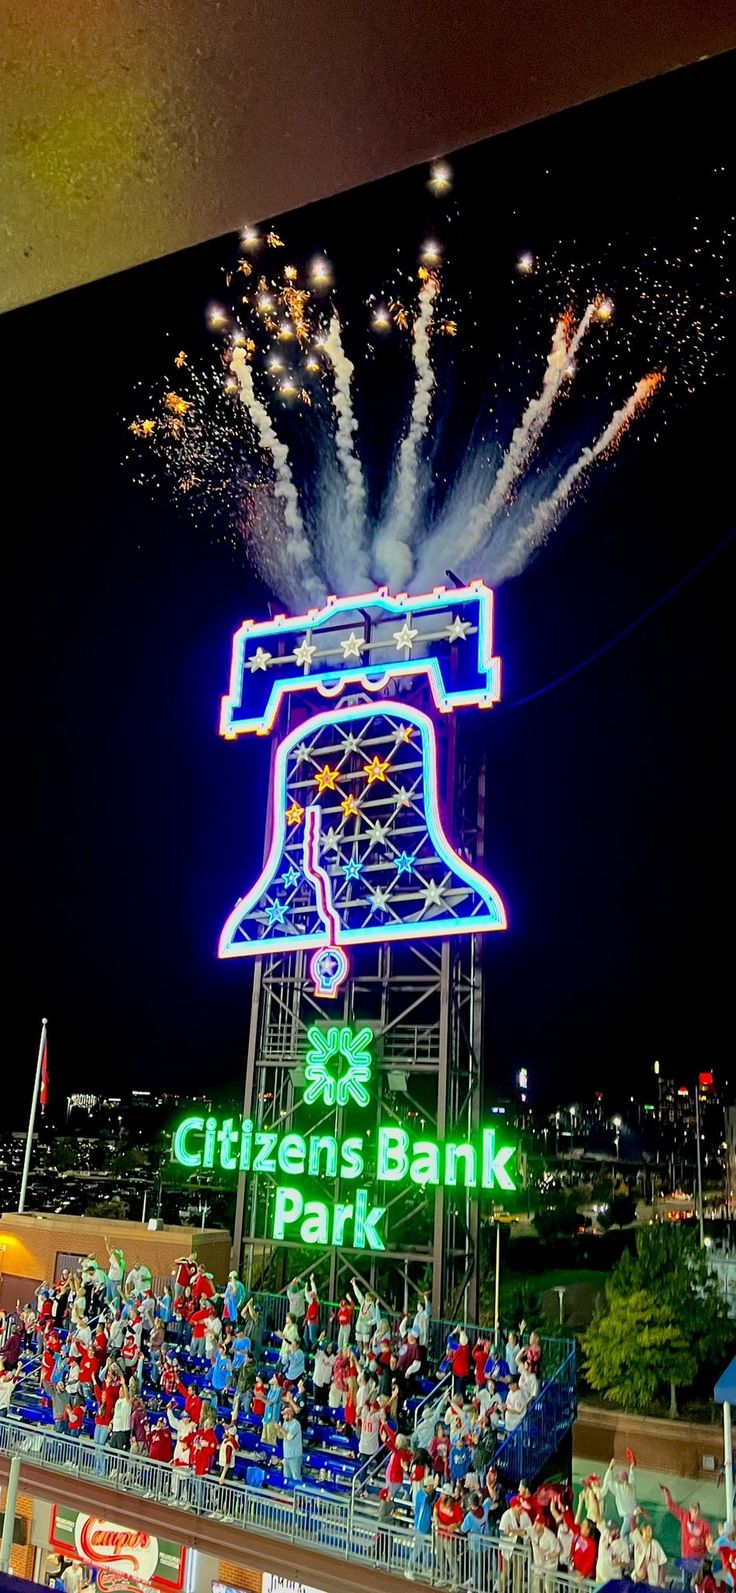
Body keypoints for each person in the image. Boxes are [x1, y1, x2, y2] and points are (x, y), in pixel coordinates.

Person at [660, 1485, 711, 1567]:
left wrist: (699, 1541)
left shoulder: (704, 1525)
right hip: (686, 1558)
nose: (696, 1513)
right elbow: (671, 1507)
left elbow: (709, 1543)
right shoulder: (684, 1517)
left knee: (696, 1578)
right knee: (686, 1577)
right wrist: (667, 1494)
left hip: (698, 1560)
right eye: (694, 1510)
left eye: (698, 1511)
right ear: (690, 1510)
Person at [405, 1474, 438, 1580]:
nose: (432, 1488)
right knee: (417, 1548)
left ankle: (425, 1568)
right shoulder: (420, 1494)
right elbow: (428, 1499)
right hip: (420, 1526)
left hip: (426, 1525)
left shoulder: (425, 1494)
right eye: (431, 1486)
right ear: (427, 1486)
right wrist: (436, 1488)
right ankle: (408, 1569)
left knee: (426, 1549)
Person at [433, 1482, 464, 1586]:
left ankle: (456, 1578)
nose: (441, 1496)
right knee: (440, 1556)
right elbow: (435, 1510)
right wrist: (436, 1517)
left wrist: (454, 1526)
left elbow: (460, 1521)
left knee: (451, 1558)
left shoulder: (455, 1508)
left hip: (450, 1537)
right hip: (440, 1533)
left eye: (443, 1494)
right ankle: (443, 1577)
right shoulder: (440, 1502)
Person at [602, 1450, 637, 1536]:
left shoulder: (618, 1488)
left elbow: (608, 1481)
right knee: (633, 1535)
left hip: (628, 1518)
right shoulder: (631, 1486)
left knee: (622, 1536)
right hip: (635, 1516)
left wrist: (610, 1467)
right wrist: (631, 1468)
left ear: (620, 1479)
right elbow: (632, 1477)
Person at [531, 1515, 561, 1593]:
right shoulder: (532, 1531)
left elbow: (557, 1551)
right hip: (538, 1566)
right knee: (536, 1588)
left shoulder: (550, 1536)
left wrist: (547, 1556)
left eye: (537, 1524)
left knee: (548, 1588)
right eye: (535, 1522)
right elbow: (523, 1531)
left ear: (542, 1525)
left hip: (550, 1566)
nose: (535, 1525)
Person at [631, 1520, 667, 1586]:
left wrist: (661, 1581)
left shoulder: (655, 1544)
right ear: (642, 1530)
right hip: (638, 1579)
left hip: (651, 1582)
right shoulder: (638, 1541)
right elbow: (632, 1527)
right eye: (648, 1529)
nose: (650, 1532)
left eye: (651, 1529)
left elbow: (662, 1563)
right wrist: (634, 1515)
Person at [279, 1407, 303, 1482]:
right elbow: (280, 1437)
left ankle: (298, 1493)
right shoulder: (285, 1423)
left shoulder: (296, 1424)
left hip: (295, 1456)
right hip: (286, 1456)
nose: (283, 1417)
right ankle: (288, 1493)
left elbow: (289, 1437)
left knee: (296, 1477)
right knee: (287, 1478)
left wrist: (281, 1429)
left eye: (284, 1415)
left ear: (289, 1415)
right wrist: (278, 1430)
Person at [313, 1338, 335, 1404]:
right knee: (316, 1401)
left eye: (331, 1347)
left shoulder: (333, 1357)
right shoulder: (319, 1354)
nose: (329, 1349)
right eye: (328, 1347)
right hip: (317, 1381)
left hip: (326, 1382)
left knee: (324, 1402)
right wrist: (318, 1340)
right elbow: (313, 1349)